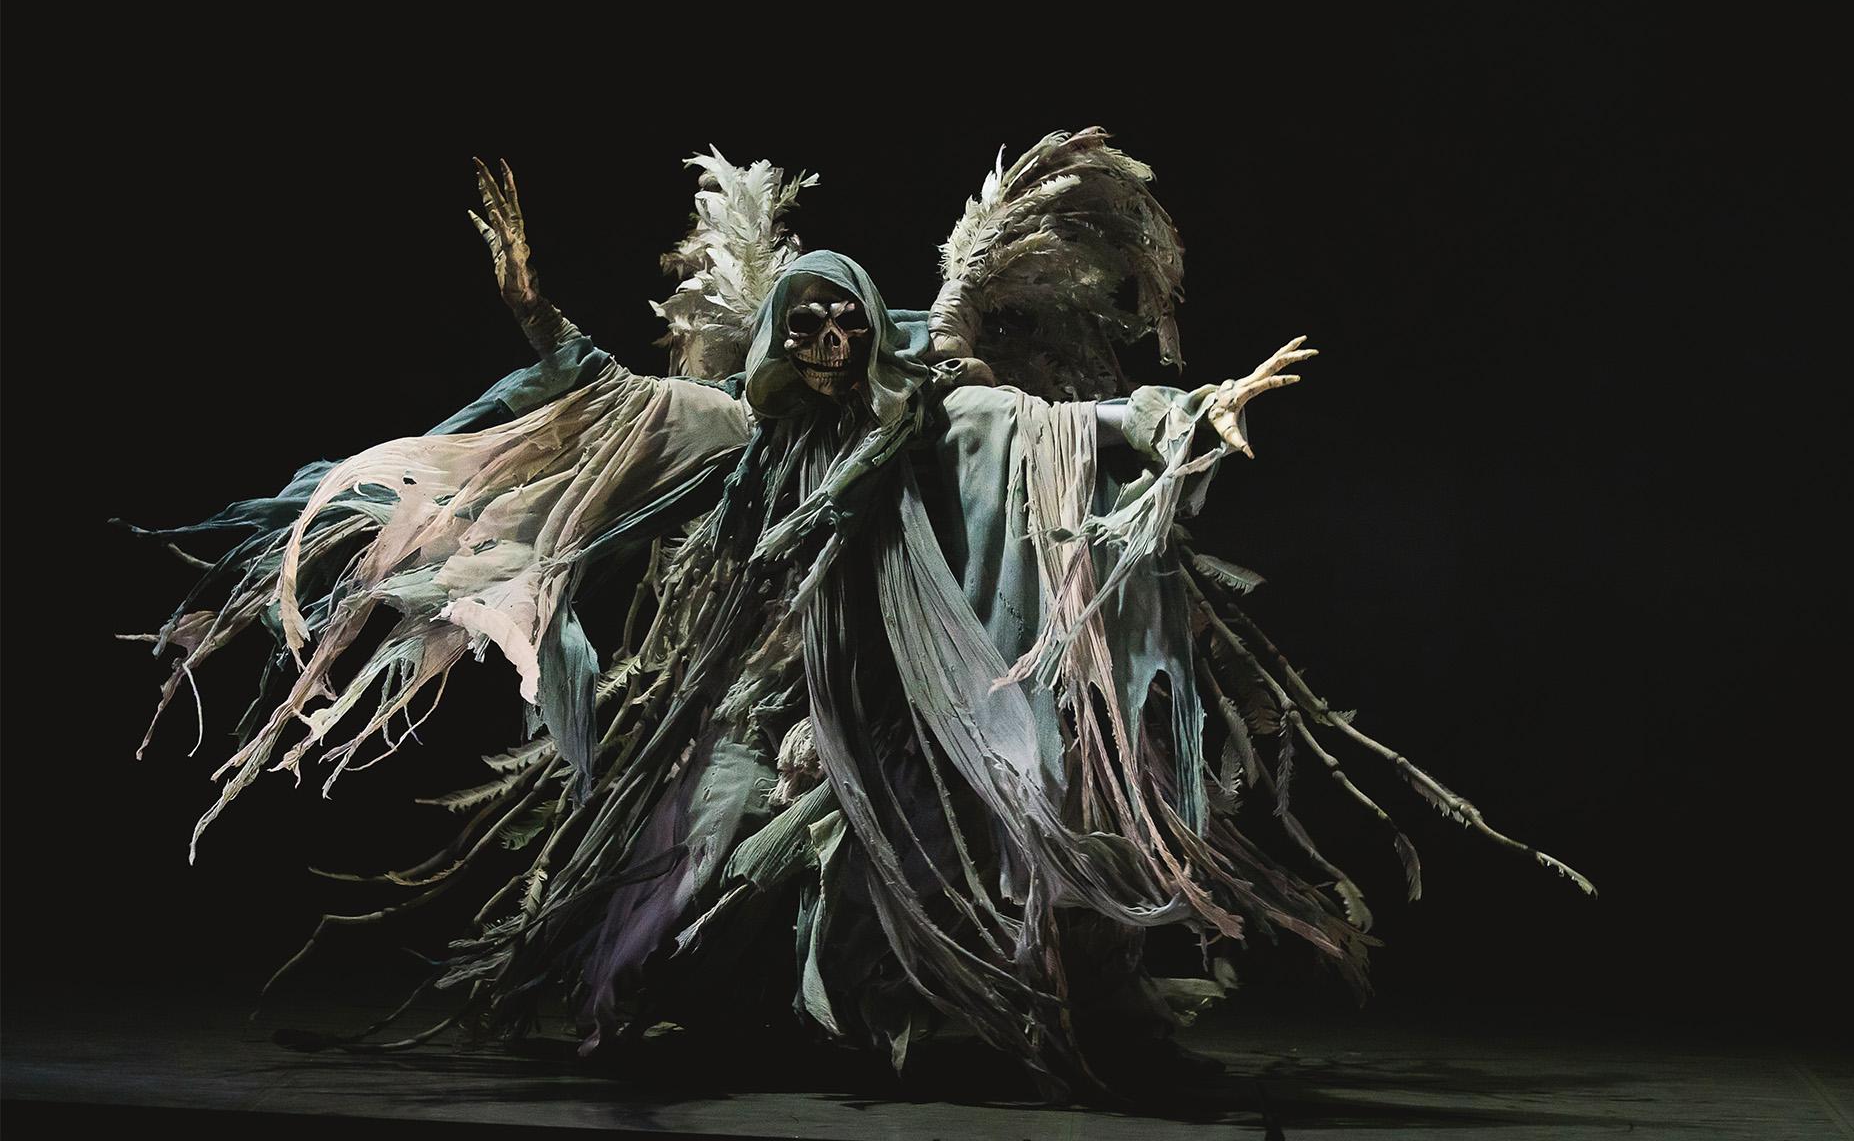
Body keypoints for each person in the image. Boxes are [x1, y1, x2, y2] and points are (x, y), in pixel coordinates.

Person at [131, 139, 1588, 1099]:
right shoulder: (740, 430)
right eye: (808, 328)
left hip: (907, 706)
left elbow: (1054, 425)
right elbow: (617, 400)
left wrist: (1197, 407)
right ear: (780, 342)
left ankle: (1073, 1013)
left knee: (976, 853)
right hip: (780, 706)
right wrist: (529, 312)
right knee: (687, 867)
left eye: (845, 325)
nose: (830, 345)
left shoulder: (932, 418)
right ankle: (670, 1013)